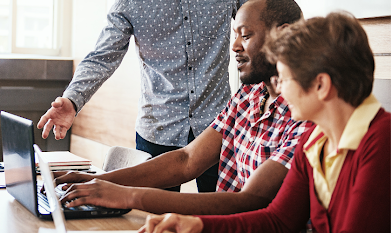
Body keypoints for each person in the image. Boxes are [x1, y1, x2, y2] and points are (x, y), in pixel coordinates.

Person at [37, 0, 254, 192]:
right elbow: (103, 56)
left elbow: (260, 32)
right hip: (157, 130)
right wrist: (73, 99)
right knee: (151, 220)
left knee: (220, 218)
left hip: (217, 129)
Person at [53, 0, 313, 215]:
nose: (234, 46)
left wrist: (126, 196)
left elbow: (251, 201)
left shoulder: (307, 110)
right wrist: (96, 181)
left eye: (245, 36)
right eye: (235, 35)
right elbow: (187, 160)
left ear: (285, 33)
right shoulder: (249, 95)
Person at [140, 12, 390, 232]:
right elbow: (278, 221)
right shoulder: (314, 141)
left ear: (321, 85)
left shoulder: (382, 140)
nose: (279, 88)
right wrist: (199, 225)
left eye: (284, 79)